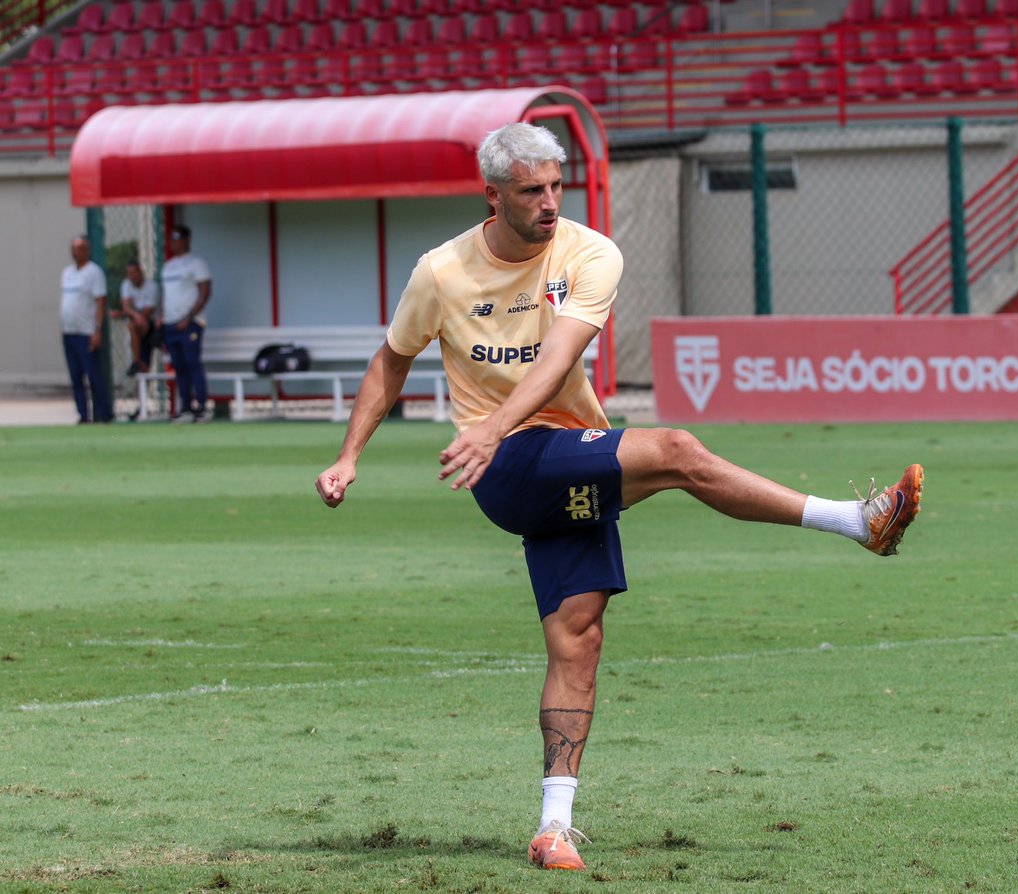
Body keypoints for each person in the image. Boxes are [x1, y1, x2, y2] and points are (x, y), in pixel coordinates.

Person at [315, 123, 925, 872]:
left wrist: (493, 426)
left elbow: (560, 355)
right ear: (493, 194)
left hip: (569, 456)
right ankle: (856, 523)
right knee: (675, 452)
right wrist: (349, 456)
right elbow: (391, 359)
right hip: (503, 468)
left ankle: (552, 827)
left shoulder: (590, 252)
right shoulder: (440, 273)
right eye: (531, 190)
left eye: (555, 186)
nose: (548, 202)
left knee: (580, 640)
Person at [160, 224, 212, 422]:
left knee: (193, 363)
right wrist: (163, 316)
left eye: (178, 238)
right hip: (171, 324)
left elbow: (205, 292)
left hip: (190, 323)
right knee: (179, 367)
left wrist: (188, 318)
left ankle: (202, 406)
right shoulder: (168, 266)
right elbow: (168, 295)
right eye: (172, 239)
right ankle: (186, 407)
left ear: (187, 240)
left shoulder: (197, 263)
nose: (175, 243)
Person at [60, 234, 113, 424]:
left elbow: (100, 301)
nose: (76, 252)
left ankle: (103, 413)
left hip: (87, 333)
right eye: (74, 248)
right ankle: (83, 415)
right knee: (76, 377)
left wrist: (97, 329)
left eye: (80, 248)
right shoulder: (67, 273)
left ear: (87, 250)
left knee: (93, 375)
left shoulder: (94, 272)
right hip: (69, 332)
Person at [111, 260, 160, 376]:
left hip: (154, 324)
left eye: (133, 273)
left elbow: (149, 311)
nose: (131, 277)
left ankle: (137, 361)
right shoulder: (126, 284)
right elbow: (126, 306)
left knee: (135, 326)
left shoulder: (152, 287)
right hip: (138, 324)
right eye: (129, 274)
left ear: (140, 272)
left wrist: (127, 312)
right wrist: (135, 314)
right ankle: (137, 361)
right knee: (133, 326)